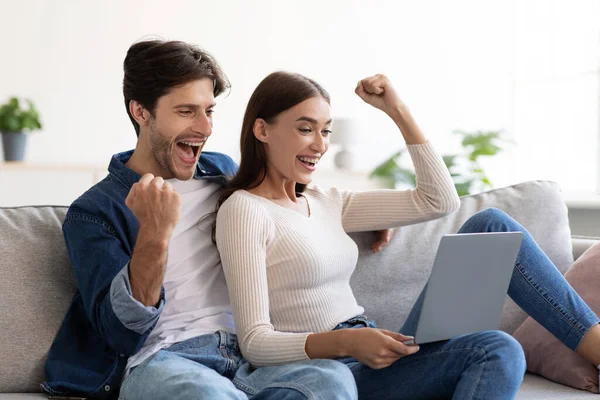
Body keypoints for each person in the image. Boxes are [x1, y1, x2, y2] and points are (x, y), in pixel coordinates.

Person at [215, 71, 600, 399]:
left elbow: (438, 200)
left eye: (325, 131)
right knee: (499, 349)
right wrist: (347, 343)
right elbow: (255, 342)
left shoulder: (328, 201)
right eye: (305, 129)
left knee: (491, 226)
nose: (320, 145)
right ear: (262, 129)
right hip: (332, 370)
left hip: (371, 348)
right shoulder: (244, 210)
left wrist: (396, 111)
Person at [42, 40, 368, 400]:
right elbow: (120, 333)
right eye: (186, 111)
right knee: (208, 395)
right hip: (167, 360)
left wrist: (346, 219)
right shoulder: (95, 212)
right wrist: (154, 234)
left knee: (331, 380)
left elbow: (289, 200)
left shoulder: (224, 174)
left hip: (252, 357)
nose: (205, 127)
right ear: (141, 111)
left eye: (209, 110)